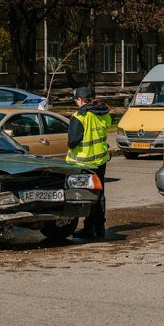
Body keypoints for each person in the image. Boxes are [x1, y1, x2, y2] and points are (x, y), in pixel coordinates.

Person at [66, 86, 112, 239]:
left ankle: (88, 229)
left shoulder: (79, 117)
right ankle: (99, 229)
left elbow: (73, 141)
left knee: (84, 196)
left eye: (76, 100)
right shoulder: (103, 114)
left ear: (80, 100)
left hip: (83, 164)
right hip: (100, 162)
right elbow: (107, 126)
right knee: (99, 196)